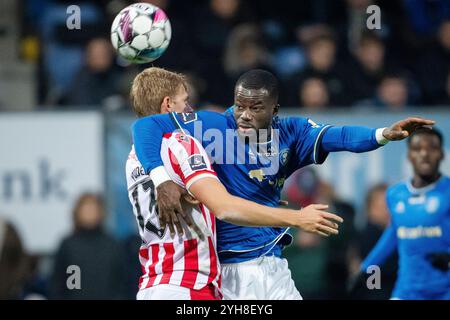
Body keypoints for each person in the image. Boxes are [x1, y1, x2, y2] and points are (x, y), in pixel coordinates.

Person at [132, 69, 435, 299]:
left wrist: (383, 133)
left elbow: (341, 136)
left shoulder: (292, 133)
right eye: (240, 106)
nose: (245, 116)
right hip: (228, 271)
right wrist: (160, 178)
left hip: (273, 263)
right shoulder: (211, 126)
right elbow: (144, 125)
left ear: (274, 109)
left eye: (256, 108)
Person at [127, 67, 344, 300]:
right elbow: (225, 207)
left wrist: (254, 195)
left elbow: (205, 192)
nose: (191, 110)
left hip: (152, 283)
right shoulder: (182, 144)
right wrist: (298, 218)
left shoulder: (135, 157)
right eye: (186, 101)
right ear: (168, 105)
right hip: (189, 286)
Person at [358, 128, 450, 300]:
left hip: (444, 290)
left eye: (432, 148)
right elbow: (393, 234)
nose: (424, 154)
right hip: (407, 291)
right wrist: (366, 268)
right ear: (409, 155)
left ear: (442, 154)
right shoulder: (395, 194)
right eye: (417, 148)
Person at [49, 193, 127, 299]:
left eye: (93, 208)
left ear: (100, 212)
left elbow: (121, 282)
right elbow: (58, 284)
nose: (90, 212)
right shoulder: (68, 245)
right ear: (77, 212)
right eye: (86, 208)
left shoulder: (112, 245)